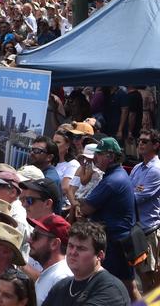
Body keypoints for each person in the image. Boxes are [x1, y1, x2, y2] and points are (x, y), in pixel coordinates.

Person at [77, 137, 138, 295]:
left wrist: (79, 203)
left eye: (99, 154)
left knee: (127, 288)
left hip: (116, 244)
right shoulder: (115, 175)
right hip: (115, 241)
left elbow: (86, 208)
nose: (95, 157)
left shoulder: (113, 180)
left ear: (110, 156)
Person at [42, 220, 130, 306]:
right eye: (71, 246)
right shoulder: (61, 286)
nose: (73, 252)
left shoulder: (111, 289)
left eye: (81, 248)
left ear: (99, 255)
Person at [128, 128, 160, 291]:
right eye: (139, 140)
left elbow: (136, 198)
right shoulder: (138, 167)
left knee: (151, 279)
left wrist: (127, 194)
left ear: (155, 145)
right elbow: (128, 192)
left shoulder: (156, 170)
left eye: (145, 141)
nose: (140, 143)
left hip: (148, 230)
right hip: (137, 229)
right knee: (141, 276)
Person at [28, 214, 72, 304]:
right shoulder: (52, 272)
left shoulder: (61, 278)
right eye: (32, 234)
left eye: (36, 236)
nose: (30, 240)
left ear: (54, 244)